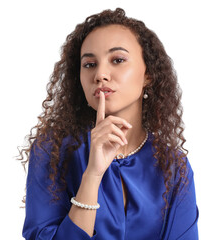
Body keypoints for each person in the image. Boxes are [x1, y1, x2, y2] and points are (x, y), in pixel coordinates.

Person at [19, 8, 199, 239]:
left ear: (148, 74)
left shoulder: (173, 165)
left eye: (118, 60)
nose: (101, 74)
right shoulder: (52, 149)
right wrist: (92, 175)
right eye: (90, 64)